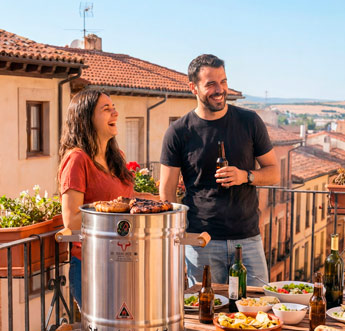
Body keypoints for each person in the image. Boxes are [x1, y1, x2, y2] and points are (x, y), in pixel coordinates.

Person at [159, 54, 279, 287]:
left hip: (247, 239)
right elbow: (167, 192)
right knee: (207, 306)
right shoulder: (178, 132)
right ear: (193, 88)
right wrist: (177, 240)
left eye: (223, 81)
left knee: (257, 303)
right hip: (201, 242)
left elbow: (274, 172)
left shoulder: (249, 121)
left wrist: (245, 176)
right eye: (211, 84)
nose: (219, 89)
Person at [57, 89, 134, 308]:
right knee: (104, 329)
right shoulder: (76, 159)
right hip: (93, 264)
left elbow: (121, 200)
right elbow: (71, 220)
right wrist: (114, 216)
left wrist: (155, 200)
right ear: (86, 117)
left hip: (124, 258)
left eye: (114, 108)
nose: (115, 113)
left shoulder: (116, 157)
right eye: (106, 109)